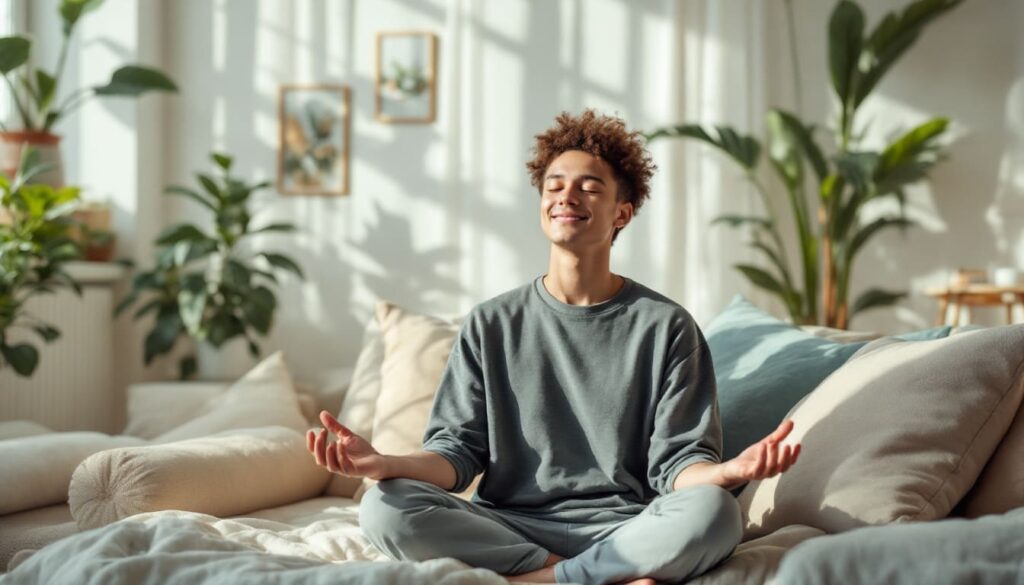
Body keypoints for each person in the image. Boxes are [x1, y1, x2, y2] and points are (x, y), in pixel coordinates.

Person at [306, 110, 801, 585]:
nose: (567, 195)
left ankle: (540, 580)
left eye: (589, 186)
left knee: (714, 512)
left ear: (621, 214)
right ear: (542, 205)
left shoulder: (666, 327)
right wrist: (385, 464)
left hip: (626, 527)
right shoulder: (491, 324)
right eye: (554, 185)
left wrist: (728, 471)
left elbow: (677, 467)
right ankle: (578, 574)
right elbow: (455, 457)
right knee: (384, 506)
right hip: (510, 527)